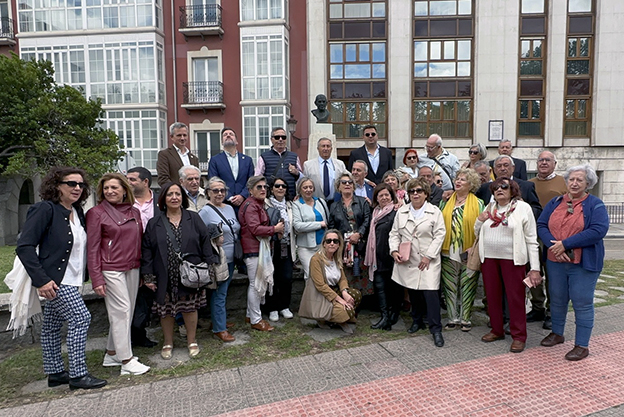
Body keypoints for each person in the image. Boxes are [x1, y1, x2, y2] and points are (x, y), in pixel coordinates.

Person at [16, 167, 107, 390]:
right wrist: (41, 280)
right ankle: (78, 375)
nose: (77, 188)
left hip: (73, 279)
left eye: (81, 185)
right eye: (71, 184)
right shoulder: (45, 209)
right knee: (80, 318)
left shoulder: (77, 211)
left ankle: (55, 372)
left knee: (52, 325)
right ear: (57, 185)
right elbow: (25, 246)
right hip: (55, 280)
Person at [537, 165, 609, 361]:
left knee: (582, 302)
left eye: (580, 180)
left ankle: (582, 345)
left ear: (588, 184)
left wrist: (566, 244)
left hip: (582, 263)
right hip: (555, 260)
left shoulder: (596, 205)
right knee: (557, 299)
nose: (574, 183)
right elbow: (541, 225)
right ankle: (557, 334)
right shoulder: (555, 202)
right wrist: (555, 246)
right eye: (571, 179)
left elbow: (598, 230)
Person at [141, 182, 218, 359]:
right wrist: (149, 276)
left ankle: (192, 341)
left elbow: (205, 242)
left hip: (190, 274)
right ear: (163, 199)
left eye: (177, 194)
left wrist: (209, 266)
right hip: (164, 275)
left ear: (182, 198)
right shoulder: (155, 223)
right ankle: (168, 342)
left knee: (190, 308)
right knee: (166, 310)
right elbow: (147, 250)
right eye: (170, 194)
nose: (174, 197)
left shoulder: (193, 218)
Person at [86, 173, 150, 376]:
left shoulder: (134, 212)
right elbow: (93, 248)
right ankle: (126, 360)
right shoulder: (96, 213)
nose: (110, 191)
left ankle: (112, 353)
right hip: (110, 268)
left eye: (114, 187)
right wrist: (96, 277)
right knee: (121, 311)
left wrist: (140, 269)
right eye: (106, 188)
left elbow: (138, 241)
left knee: (126, 312)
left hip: (132, 267)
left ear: (124, 190)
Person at [475, 177, 541, 353]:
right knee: (492, 296)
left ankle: (519, 335)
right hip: (489, 258)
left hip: (513, 260)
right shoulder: (490, 208)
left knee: (515, 298)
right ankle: (497, 330)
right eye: (495, 187)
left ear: (513, 190)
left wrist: (535, 268)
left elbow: (531, 239)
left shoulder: (522, 208)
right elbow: (477, 232)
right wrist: (480, 220)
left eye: (504, 186)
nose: (499, 190)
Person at [389, 177, 446, 347]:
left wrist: (429, 256)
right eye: (412, 191)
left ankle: (436, 329)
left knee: (430, 293)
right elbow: (394, 234)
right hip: (409, 259)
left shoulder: (434, 211)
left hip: (428, 259)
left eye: (419, 191)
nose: (415, 194)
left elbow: (440, 235)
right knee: (413, 291)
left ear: (426, 194)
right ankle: (417, 320)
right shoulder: (402, 211)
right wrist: (394, 251)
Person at [438, 168, 484, 332]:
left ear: (471, 184)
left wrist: (475, 246)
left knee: (468, 285)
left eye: (463, 179)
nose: (458, 181)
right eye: (457, 179)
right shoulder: (445, 201)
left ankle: (465, 318)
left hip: (469, 250)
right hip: (447, 250)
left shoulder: (478, 203)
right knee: (449, 286)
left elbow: (482, 228)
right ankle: (452, 318)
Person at [238, 176, 285, 331]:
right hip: (253, 250)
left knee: (256, 284)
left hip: (258, 248)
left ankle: (250, 314)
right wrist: (275, 229)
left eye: (265, 187)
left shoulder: (257, 204)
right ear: (250, 190)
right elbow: (255, 229)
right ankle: (256, 320)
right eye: (259, 187)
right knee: (255, 284)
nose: (263, 189)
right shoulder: (251, 205)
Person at [198, 176, 241, 343]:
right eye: (215, 190)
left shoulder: (229, 208)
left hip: (232, 257)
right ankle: (219, 329)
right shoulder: (205, 211)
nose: (219, 193)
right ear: (208, 192)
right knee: (220, 293)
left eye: (222, 190)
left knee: (222, 291)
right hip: (219, 259)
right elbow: (199, 236)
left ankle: (218, 320)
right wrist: (213, 239)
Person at [299, 230, 362, 333]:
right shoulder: (316, 259)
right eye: (328, 241)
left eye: (335, 241)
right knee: (345, 311)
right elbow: (320, 286)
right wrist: (340, 300)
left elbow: (342, 278)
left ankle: (339, 318)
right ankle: (330, 319)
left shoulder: (336, 257)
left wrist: (344, 292)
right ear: (324, 244)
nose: (332, 243)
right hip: (322, 295)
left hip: (334, 290)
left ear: (338, 244)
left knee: (356, 295)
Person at [126, 166, 159, 348]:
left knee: (150, 297)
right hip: (132, 257)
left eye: (132, 180)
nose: (128, 183)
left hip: (156, 257)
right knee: (135, 299)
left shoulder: (160, 201)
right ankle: (134, 335)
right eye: (127, 179)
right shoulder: (124, 203)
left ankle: (141, 334)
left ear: (145, 182)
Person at [328, 172, 372, 296]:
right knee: (346, 274)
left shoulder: (362, 202)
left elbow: (368, 220)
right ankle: (349, 298)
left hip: (360, 244)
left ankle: (364, 300)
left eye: (350, 182)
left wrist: (359, 234)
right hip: (343, 246)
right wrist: (338, 241)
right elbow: (331, 227)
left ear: (354, 186)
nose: (347, 184)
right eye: (344, 182)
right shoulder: (333, 205)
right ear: (338, 187)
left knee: (362, 273)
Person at [363, 183, 399, 330]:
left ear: (391, 196)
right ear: (376, 198)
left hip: (391, 255)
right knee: (380, 287)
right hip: (376, 256)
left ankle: (394, 313)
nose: (384, 198)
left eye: (386, 195)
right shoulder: (375, 212)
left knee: (393, 287)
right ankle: (384, 317)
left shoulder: (396, 211)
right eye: (381, 195)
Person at [264, 178, 296, 322]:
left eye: (283, 186)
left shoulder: (290, 205)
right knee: (272, 277)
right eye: (277, 186)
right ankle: (272, 308)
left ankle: (284, 306)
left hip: (287, 245)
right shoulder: (266, 204)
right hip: (271, 246)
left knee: (287, 277)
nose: (280, 188)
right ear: (271, 188)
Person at [476, 155, 542, 220]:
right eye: (499, 166)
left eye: (506, 165)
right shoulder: (485, 188)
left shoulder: (526, 186)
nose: (502, 168)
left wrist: (524, 207)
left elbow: (537, 211)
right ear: (494, 170)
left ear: (513, 168)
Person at [208, 127, 255, 213]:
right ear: (222, 142)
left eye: (231, 134)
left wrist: (242, 195)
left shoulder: (247, 160)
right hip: (223, 203)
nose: (228, 135)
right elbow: (213, 181)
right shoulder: (215, 160)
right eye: (225, 135)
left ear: (237, 141)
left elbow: (251, 181)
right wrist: (229, 197)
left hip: (245, 204)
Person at [292, 177, 329, 281]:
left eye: (310, 187)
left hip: (322, 246)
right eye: (305, 187)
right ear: (300, 189)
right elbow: (298, 226)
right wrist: (319, 224)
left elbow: (327, 221)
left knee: (323, 275)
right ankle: (309, 297)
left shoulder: (321, 202)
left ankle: (321, 297)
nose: (308, 190)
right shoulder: (297, 205)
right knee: (311, 275)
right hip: (305, 247)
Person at [255, 127, 303, 199]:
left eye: (283, 137)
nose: (280, 139)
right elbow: (257, 178)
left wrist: (296, 172)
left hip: (290, 197)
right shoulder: (264, 157)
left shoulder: (294, 156)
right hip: (270, 198)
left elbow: (302, 179)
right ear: (271, 139)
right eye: (277, 137)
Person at [303, 137, 347, 204]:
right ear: (318, 148)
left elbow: (351, 177)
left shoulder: (340, 164)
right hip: (316, 203)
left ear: (331, 149)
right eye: (323, 146)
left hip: (335, 203)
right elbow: (303, 184)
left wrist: (366, 181)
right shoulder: (308, 165)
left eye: (328, 146)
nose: (325, 149)